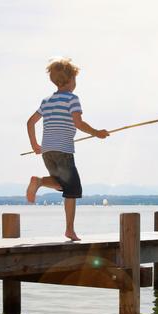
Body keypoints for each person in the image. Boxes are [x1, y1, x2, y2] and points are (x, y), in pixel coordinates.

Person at [25, 57, 109, 241]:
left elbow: (30, 122)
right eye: (75, 79)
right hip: (63, 151)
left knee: (61, 184)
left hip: (47, 151)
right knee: (72, 191)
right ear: (71, 80)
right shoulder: (72, 99)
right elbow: (78, 123)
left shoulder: (47, 101)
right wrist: (96, 133)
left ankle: (39, 181)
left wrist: (35, 145)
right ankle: (69, 230)